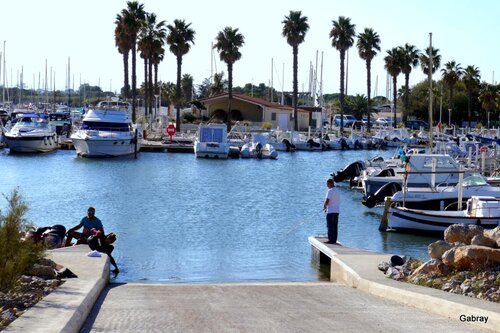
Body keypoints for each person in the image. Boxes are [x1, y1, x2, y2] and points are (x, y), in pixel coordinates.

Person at [323, 178, 340, 244]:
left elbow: (327, 200)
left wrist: (324, 206)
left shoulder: (330, 191)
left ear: (330, 183)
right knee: (335, 226)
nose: (327, 185)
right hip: (336, 211)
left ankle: (330, 239)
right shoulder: (337, 190)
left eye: (327, 184)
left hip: (330, 211)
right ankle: (334, 240)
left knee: (330, 226)